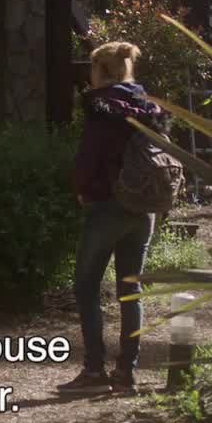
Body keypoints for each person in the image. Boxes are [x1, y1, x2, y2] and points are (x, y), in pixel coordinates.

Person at [61, 40, 170, 395]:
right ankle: (126, 372)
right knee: (130, 289)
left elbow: (89, 156)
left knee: (87, 285)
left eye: (92, 68)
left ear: (101, 70)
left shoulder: (101, 108)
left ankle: (94, 370)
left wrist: (82, 189)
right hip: (144, 207)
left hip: (108, 204)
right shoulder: (149, 107)